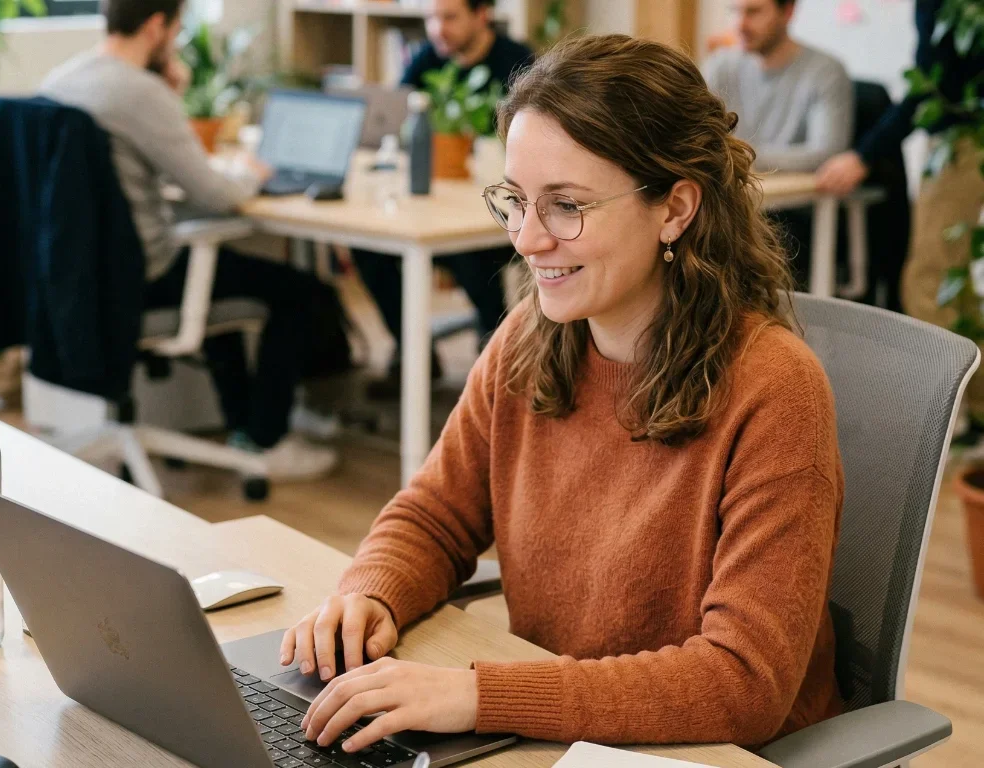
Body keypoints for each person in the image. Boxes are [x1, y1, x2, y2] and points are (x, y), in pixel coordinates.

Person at [279, 35, 844, 750]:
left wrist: (481, 694)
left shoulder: (775, 388)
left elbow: (741, 682)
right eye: (515, 201)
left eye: (566, 206)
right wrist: (369, 592)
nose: (526, 238)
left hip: (713, 753)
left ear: (674, 209)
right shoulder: (530, 340)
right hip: (561, 736)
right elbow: (435, 514)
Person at [40, 0, 338, 479]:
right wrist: (251, 172)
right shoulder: (138, 91)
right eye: (177, 30)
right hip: (140, 278)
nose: (176, 41)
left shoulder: (59, 82)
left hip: (75, 281)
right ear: (157, 27)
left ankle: (244, 422)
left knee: (219, 270)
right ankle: (267, 441)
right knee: (297, 291)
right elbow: (215, 193)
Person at [351, 0, 534, 399]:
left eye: (449, 18)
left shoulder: (518, 64)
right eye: (431, 18)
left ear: (481, 15)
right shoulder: (426, 59)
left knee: (470, 257)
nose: (437, 30)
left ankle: (494, 373)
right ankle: (415, 355)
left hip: (498, 207)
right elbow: (396, 116)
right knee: (368, 250)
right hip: (439, 196)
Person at [816, 0, 984, 427]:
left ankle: (940, 425)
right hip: (963, 136)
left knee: (929, 281)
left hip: (961, 140)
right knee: (955, 283)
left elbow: (932, 83)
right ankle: (978, 413)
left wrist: (865, 154)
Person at [704, 0, 853, 287]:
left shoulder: (825, 71)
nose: (740, 24)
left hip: (794, 217)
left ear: (788, 12)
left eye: (754, 12)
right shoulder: (720, 66)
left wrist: (739, 154)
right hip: (730, 204)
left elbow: (826, 152)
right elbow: (697, 136)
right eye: (735, 11)